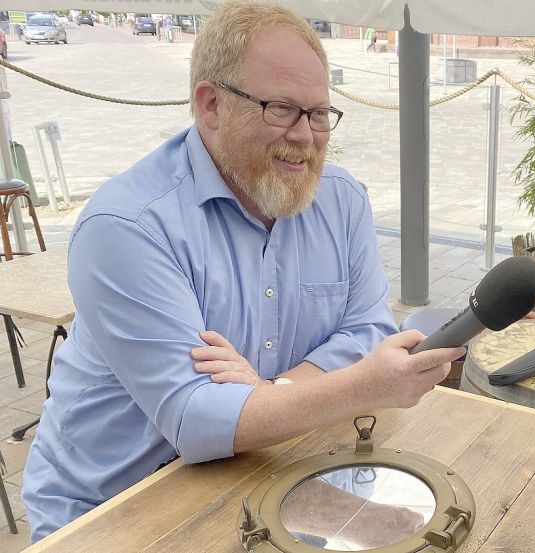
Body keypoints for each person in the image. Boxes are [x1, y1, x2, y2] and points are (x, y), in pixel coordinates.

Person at [22, 0, 462, 542]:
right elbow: (196, 420)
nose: (306, 135)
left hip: (262, 473)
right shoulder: (127, 225)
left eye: (320, 112)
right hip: (110, 508)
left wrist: (268, 392)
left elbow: (366, 331)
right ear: (210, 105)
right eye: (281, 108)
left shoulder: (342, 200)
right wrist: (360, 387)